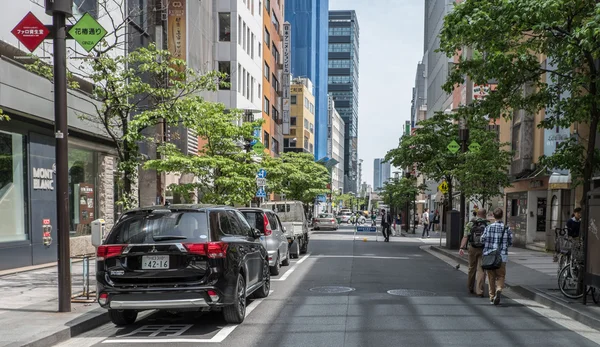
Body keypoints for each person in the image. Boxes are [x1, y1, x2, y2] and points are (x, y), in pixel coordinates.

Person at [481, 208, 513, 306]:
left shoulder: (488, 227)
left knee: (491, 276)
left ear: (493, 216)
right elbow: (510, 242)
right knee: (501, 275)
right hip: (502, 256)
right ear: (502, 215)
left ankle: (492, 296)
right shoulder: (506, 228)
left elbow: (482, 239)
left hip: (490, 255)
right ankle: (499, 288)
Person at [459, 209, 488, 297]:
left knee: (471, 267)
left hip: (472, 247)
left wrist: (461, 247)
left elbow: (465, 237)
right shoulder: (488, 224)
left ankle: (470, 287)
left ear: (477, 214)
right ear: (484, 214)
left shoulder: (470, 223)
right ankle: (480, 291)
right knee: (481, 269)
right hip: (483, 249)